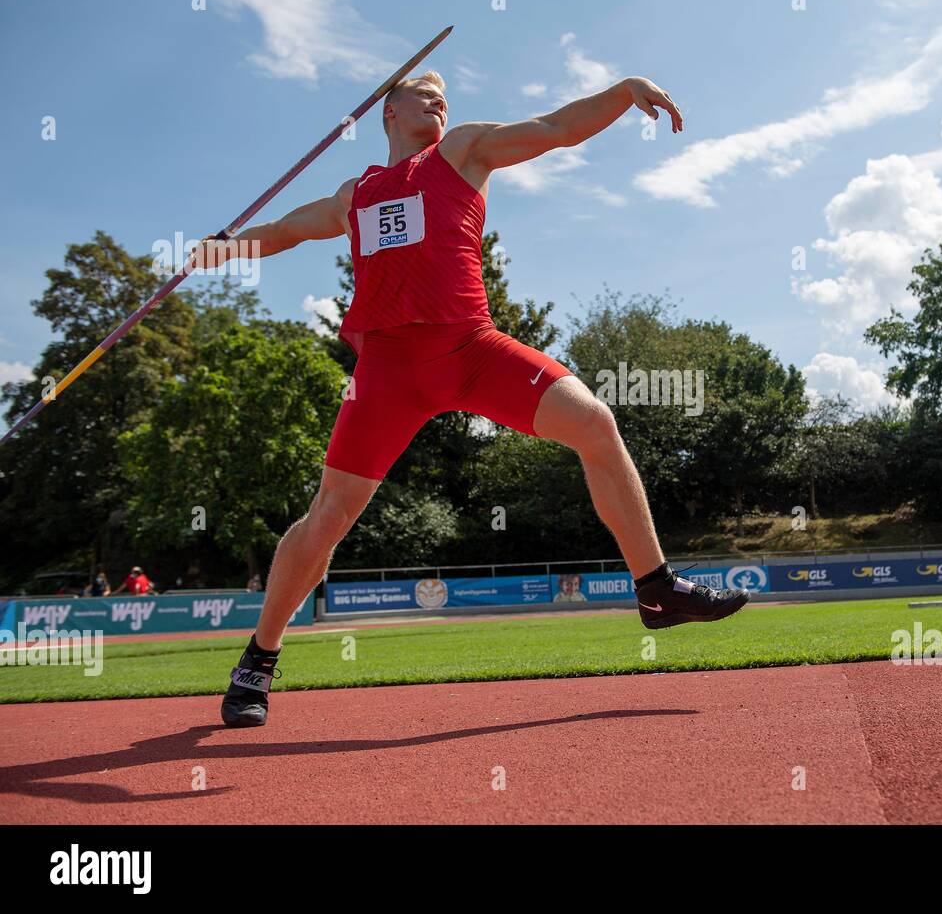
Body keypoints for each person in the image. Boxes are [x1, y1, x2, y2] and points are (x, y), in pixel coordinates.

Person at [194, 70, 750, 728]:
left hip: (472, 349)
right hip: (389, 369)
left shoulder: (462, 150)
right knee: (331, 514)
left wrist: (627, 90)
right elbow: (287, 229)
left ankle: (656, 589)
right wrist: (225, 248)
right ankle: (257, 662)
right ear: (387, 109)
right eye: (424, 91)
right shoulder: (357, 195)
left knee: (596, 424)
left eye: (444, 94)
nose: (440, 99)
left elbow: (558, 129)